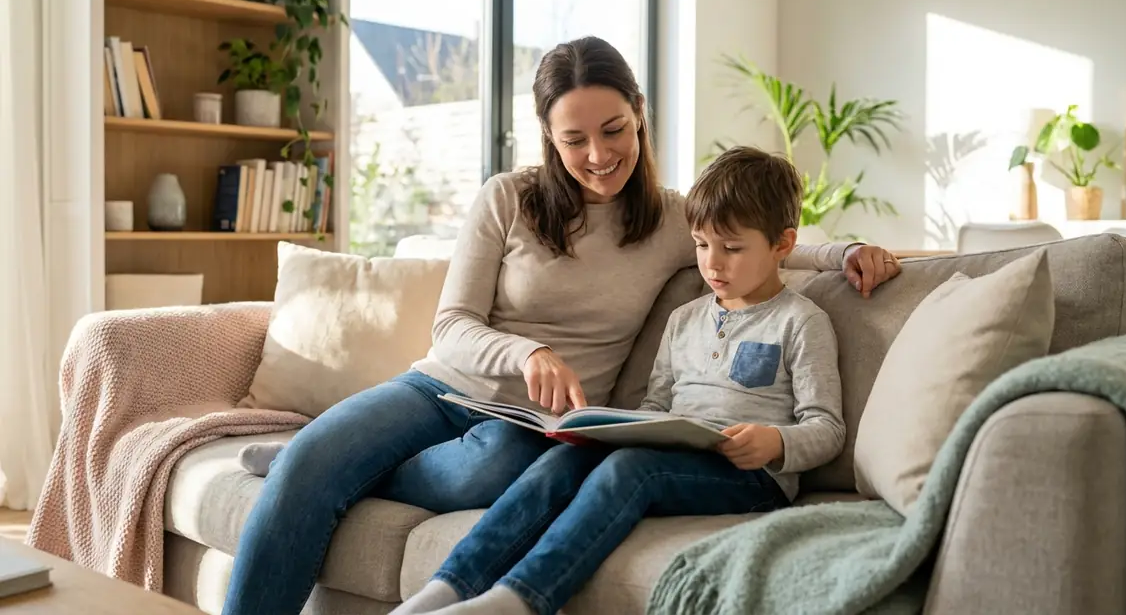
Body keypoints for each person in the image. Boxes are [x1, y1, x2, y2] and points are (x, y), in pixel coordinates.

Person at [221, 36, 901, 615]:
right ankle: (327, 460)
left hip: (541, 429)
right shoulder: (507, 200)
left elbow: (756, 242)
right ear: (548, 136)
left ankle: (352, 469)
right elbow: (453, 324)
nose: (599, 155)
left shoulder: (669, 219)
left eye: (615, 131)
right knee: (308, 465)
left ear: (640, 117)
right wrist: (528, 353)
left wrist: (845, 253)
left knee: (490, 466)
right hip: (443, 389)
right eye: (574, 139)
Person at [392, 145, 846, 615]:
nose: (712, 264)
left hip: (754, 478)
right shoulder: (684, 319)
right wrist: (617, 429)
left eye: (732, 249)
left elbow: (827, 427)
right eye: (700, 244)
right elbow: (656, 406)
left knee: (630, 470)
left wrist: (775, 443)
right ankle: (446, 589)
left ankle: (519, 600)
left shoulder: (800, 322)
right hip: (678, 454)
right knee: (562, 461)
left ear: (782, 245)